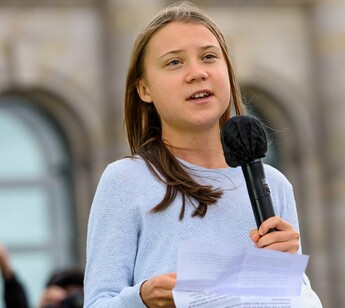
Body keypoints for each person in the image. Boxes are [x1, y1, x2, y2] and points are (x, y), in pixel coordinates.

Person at [84, 1, 322, 307]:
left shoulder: (274, 185)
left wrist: (291, 273)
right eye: (174, 63)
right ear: (144, 89)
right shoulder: (125, 181)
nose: (197, 73)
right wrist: (141, 298)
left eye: (209, 57)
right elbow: (97, 302)